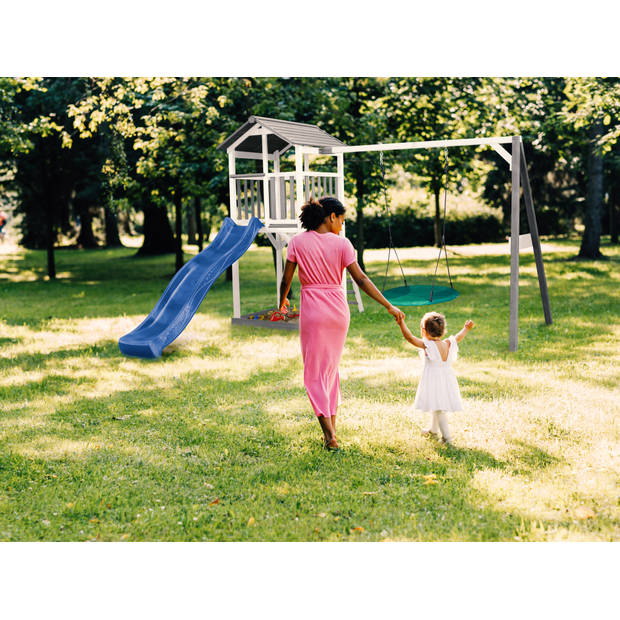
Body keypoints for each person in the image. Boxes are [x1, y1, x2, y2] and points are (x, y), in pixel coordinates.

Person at [278, 197, 405, 451]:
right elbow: (361, 279)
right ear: (331, 216)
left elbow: (286, 279)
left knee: (314, 373)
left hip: (314, 312)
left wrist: (281, 303)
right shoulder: (343, 244)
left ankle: (329, 436)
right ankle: (332, 430)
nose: (342, 226)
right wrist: (388, 304)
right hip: (338, 312)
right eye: (342, 221)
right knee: (330, 371)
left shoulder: (297, 242)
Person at [397, 311, 474, 445]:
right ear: (443, 331)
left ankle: (447, 438)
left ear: (424, 330)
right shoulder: (449, 343)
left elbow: (409, 338)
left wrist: (401, 323)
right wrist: (466, 329)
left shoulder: (428, 345)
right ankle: (433, 430)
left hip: (434, 380)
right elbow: (459, 337)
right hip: (446, 379)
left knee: (439, 409)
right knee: (436, 404)